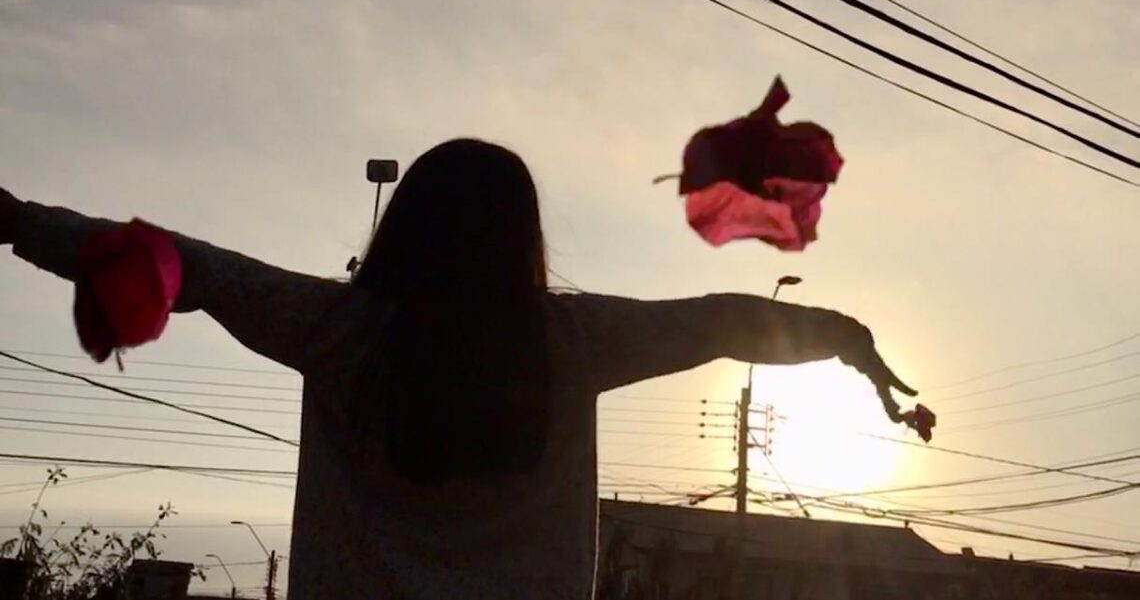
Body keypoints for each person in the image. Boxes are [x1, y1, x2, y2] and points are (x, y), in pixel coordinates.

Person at [0, 138, 916, 599]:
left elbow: (179, 260)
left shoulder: (338, 328)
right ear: (524, 240)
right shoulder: (574, 339)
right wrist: (844, 336)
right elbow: (724, 321)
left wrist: (12, 220)